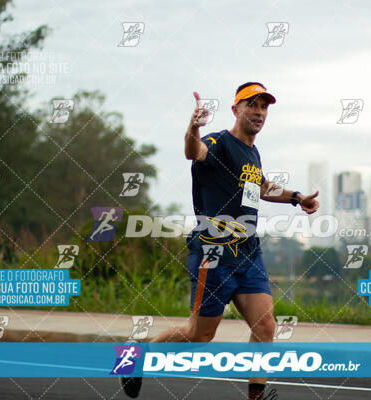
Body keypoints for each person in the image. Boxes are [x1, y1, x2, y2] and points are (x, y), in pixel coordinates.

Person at [121, 82, 319, 399]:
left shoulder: (252, 152)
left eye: (264, 106)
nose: (258, 111)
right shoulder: (218, 142)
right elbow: (193, 151)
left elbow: (262, 186)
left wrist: (296, 197)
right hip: (213, 256)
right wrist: (193, 127)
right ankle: (137, 354)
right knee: (198, 336)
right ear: (235, 109)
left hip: (248, 253)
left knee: (266, 326)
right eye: (251, 104)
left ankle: (256, 395)